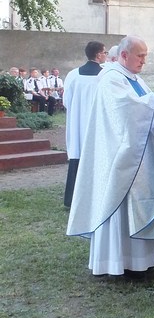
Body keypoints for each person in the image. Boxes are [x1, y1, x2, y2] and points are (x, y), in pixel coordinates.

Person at [66, 36, 154, 278]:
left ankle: (145, 260)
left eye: (145, 56)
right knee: (122, 207)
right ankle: (121, 262)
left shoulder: (134, 78)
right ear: (124, 55)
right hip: (120, 159)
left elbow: (142, 105)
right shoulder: (111, 79)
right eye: (140, 56)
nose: (144, 61)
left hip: (140, 159)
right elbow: (126, 111)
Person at [62, 41, 106, 207]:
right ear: (98, 54)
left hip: (78, 124)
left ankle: (73, 199)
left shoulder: (73, 75)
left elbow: (66, 101)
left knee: (78, 153)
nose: (106, 55)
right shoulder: (106, 75)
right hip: (98, 124)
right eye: (105, 52)